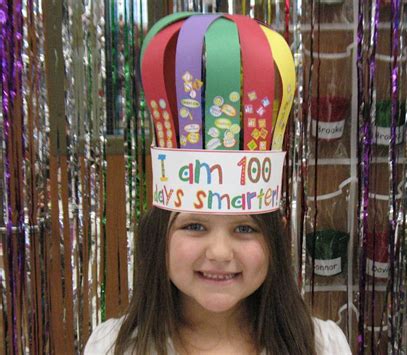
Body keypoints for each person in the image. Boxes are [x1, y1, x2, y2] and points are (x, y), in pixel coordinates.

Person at [84, 12, 352, 355]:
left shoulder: (321, 346)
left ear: (275, 240)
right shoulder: (114, 347)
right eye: (194, 225)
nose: (220, 253)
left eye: (245, 228)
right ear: (158, 237)